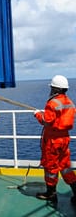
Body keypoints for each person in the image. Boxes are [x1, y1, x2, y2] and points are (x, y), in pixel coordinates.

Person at [34, 75, 76, 205]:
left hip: (53, 141)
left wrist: (37, 114)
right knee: (65, 166)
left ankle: (51, 194)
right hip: (64, 139)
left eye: (52, 88)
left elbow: (47, 121)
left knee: (51, 168)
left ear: (56, 89)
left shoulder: (52, 103)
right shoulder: (70, 102)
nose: (51, 90)